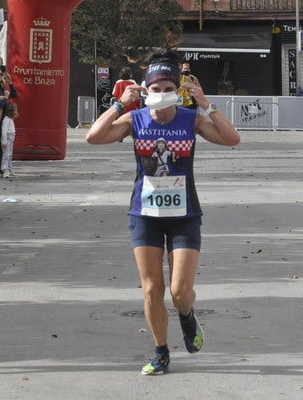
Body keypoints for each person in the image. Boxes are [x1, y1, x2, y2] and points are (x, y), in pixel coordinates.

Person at [85, 47, 240, 375]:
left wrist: (206, 105)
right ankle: (161, 352)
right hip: (144, 214)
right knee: (152, 288)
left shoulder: (190, 119)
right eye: (155, 89)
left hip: (184, 215)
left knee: (180, 291)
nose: (162, 94)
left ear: (177, 91)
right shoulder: (135, 119)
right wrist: (119, 103)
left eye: (169, 89)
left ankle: (187, 314)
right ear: (146, 89)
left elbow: (231, 139)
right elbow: (93, 137)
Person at [1, 101, 19, 178]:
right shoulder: (7, 119)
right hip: (8, 138)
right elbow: (4, 131)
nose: (16, 112)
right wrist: (4, 141)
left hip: (11, 138)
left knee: (9, 154)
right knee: (6, 154)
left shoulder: (10, 119)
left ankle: (9, 168)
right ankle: (5, 170)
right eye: (15, 110)